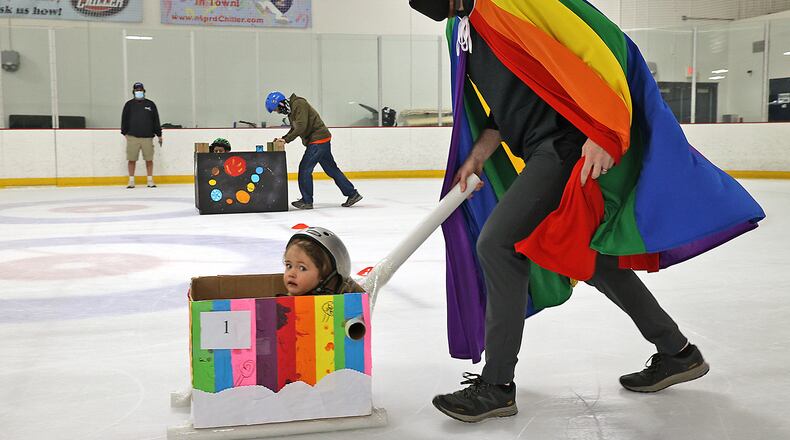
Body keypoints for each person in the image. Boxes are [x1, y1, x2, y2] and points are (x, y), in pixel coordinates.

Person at [406, 0, 761, 424]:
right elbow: (509, 103)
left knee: (498, 244)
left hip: (564, 145)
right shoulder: (462, 29)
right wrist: (479, 153)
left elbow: (597, 49)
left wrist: (603, 129)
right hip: (544, 148)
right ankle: (677, 352)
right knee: (594, 260)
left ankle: (497, 385)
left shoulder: (510, 4)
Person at [265, 91, 363, 210]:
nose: (278, 112)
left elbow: (301, 127)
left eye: (277, 109)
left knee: (305, 169)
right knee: (331, 169)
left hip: (318, 140)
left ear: (281, 104)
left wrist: (286, 140)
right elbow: (295, 128)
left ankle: (307, 201)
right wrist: (284, 138)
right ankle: (352, 194)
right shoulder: (293, 110)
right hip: (320, 139)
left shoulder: (299, 104)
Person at [283, 226, 364, 296]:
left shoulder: (345, 307)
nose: (291, 274)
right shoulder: (281, 303)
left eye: (302, 268)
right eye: (289, 266)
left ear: (325, 275)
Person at [121, 82, 162, 188]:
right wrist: (124, 132)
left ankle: (150, 180)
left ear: (144, 91)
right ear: (133, 92)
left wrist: (159, 134)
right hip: (132, 137)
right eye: (136, 90)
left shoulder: (150, 104)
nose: (139, 92)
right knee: (131, 159)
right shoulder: (129, 105)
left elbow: (156, 120)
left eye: (140, 90)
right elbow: (124, 120)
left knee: (149, 159)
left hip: (147, 137)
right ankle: (131, 181)